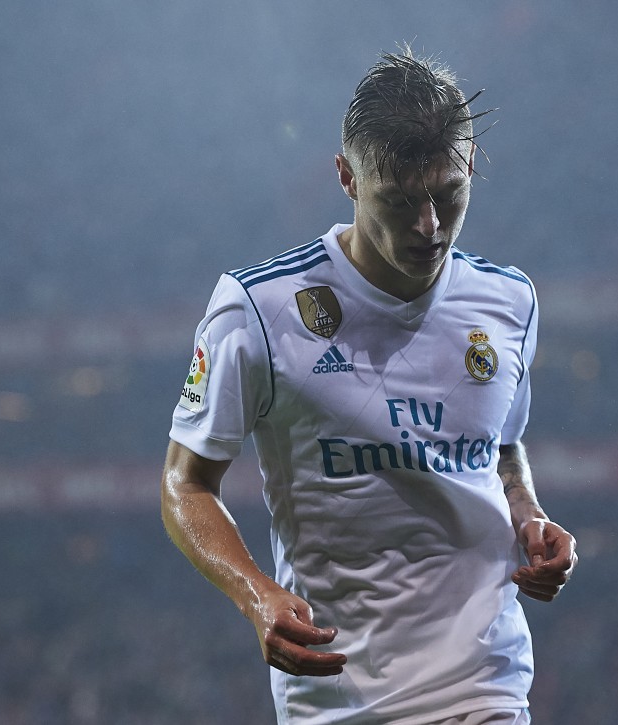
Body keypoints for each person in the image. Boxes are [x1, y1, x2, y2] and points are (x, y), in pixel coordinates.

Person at [160, 47, 578, 724]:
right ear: (347, 178)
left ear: (471, 168)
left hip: (484, 683)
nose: (428, 226)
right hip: (338, 692)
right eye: (400, 200)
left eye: (448, 196)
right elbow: (185, 483)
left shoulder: (509, 301)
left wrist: (528, 510)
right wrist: (255, 593)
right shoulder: (258, 309)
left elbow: (499, 443)